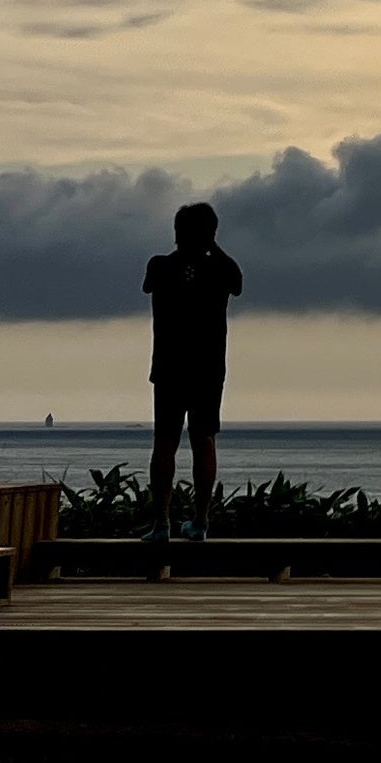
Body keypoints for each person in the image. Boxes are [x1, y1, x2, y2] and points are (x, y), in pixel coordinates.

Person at [142, 200, 244, 542]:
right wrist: (210, 246)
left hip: (170, 368)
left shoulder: (160, 266)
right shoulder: (220, 270)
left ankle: (161, 524)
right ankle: (200, 522)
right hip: (208, 369)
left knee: (164, 443)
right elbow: (237, 281)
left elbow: (149, 285)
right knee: (204, 441)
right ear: (211, 234)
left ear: (176, 232)